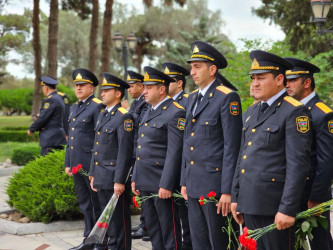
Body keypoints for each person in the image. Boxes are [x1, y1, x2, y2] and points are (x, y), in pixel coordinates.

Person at [231, 50, 312, 250]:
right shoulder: (252, 111)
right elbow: (242, 156)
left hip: (274, 208)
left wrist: (287, 208)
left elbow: (298, 165)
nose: (255, 83)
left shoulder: (294, 111)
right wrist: (236, 197)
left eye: (261, 78)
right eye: (253, 78)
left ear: (279, 79)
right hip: (250, 203)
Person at [180, 40, 242, 250]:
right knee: (199, 242)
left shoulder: (227, 97)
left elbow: (232, 147)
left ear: (212, 69)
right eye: (191, 67)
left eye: (197, 67)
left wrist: (227, 191)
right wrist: (184, 180)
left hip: (215, 186)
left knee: (220, 243)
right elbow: (187, 143)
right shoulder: (192, 99)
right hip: (194, 184)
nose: (192, 72)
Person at [131, 66, 185, 250]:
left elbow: (174, 152)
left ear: (161, 89)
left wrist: (167, 184)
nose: (144, 91)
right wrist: (135, 177)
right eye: (144, 87)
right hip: (145, 180)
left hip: (161, 181)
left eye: (148, 87)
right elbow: (141, 146)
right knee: (153, 229)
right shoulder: (149, 111)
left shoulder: (175, 112)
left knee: (168, 229)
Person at [284, 57, 333, 250]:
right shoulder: (290, 110)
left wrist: (316, 197)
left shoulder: (323, 113)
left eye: (292, 80)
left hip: (313, 193)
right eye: (285, 80)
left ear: (307, 82)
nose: (287, 84)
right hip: (292, 191)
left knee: (319, 241)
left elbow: (327, 161)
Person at [89, 73, 134, 250]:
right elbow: (97, 146)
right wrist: (92, 172)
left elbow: (125, 152)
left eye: (107, 90)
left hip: (113, 178)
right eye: (103, 90)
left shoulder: (124, 117)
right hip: (101, 175)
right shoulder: (103, 115)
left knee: (118, 222)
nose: (102, 93)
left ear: (118, 93)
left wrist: (119, 180)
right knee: (106, 221)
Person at [65, 68, 104, 250]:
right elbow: (71, 138)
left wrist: (95, 167)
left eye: (82, 85)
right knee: (84, 203)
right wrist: (68, 163)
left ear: (91, 88)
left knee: (95, 204)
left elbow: (100, 139)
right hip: (76, 164)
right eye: (76, 86)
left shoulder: (97, 106)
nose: (78, 88)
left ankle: (99, 240)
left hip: (89, 164)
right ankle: (88, 237)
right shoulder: (74, 107)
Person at [161, 61, 192, 249]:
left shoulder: (187, 102)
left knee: (187, 217)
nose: (165, 85)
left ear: (179, 83)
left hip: (182, 167)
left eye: (169, 81)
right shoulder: (166, 104)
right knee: (175, 216)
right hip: (168, 168)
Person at [121, 71, 150, 241]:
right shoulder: (135, 103)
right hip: (135, 151)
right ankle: (143, 223)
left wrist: (127, 111)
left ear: (140, 86)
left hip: (140, 151)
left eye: (132, 86)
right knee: (140, 192)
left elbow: (139, 122)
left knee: (144, 192)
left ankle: (146, 225)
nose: (129, 90)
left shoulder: (144, 103)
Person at [27, 76, 66, 156]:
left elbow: (43, 118)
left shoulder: (50, 99)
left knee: (47, 164)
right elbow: (52, 115)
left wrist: (32, 129)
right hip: (57, 138)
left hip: (50, 139)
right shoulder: (58, 98)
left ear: (46, 88)